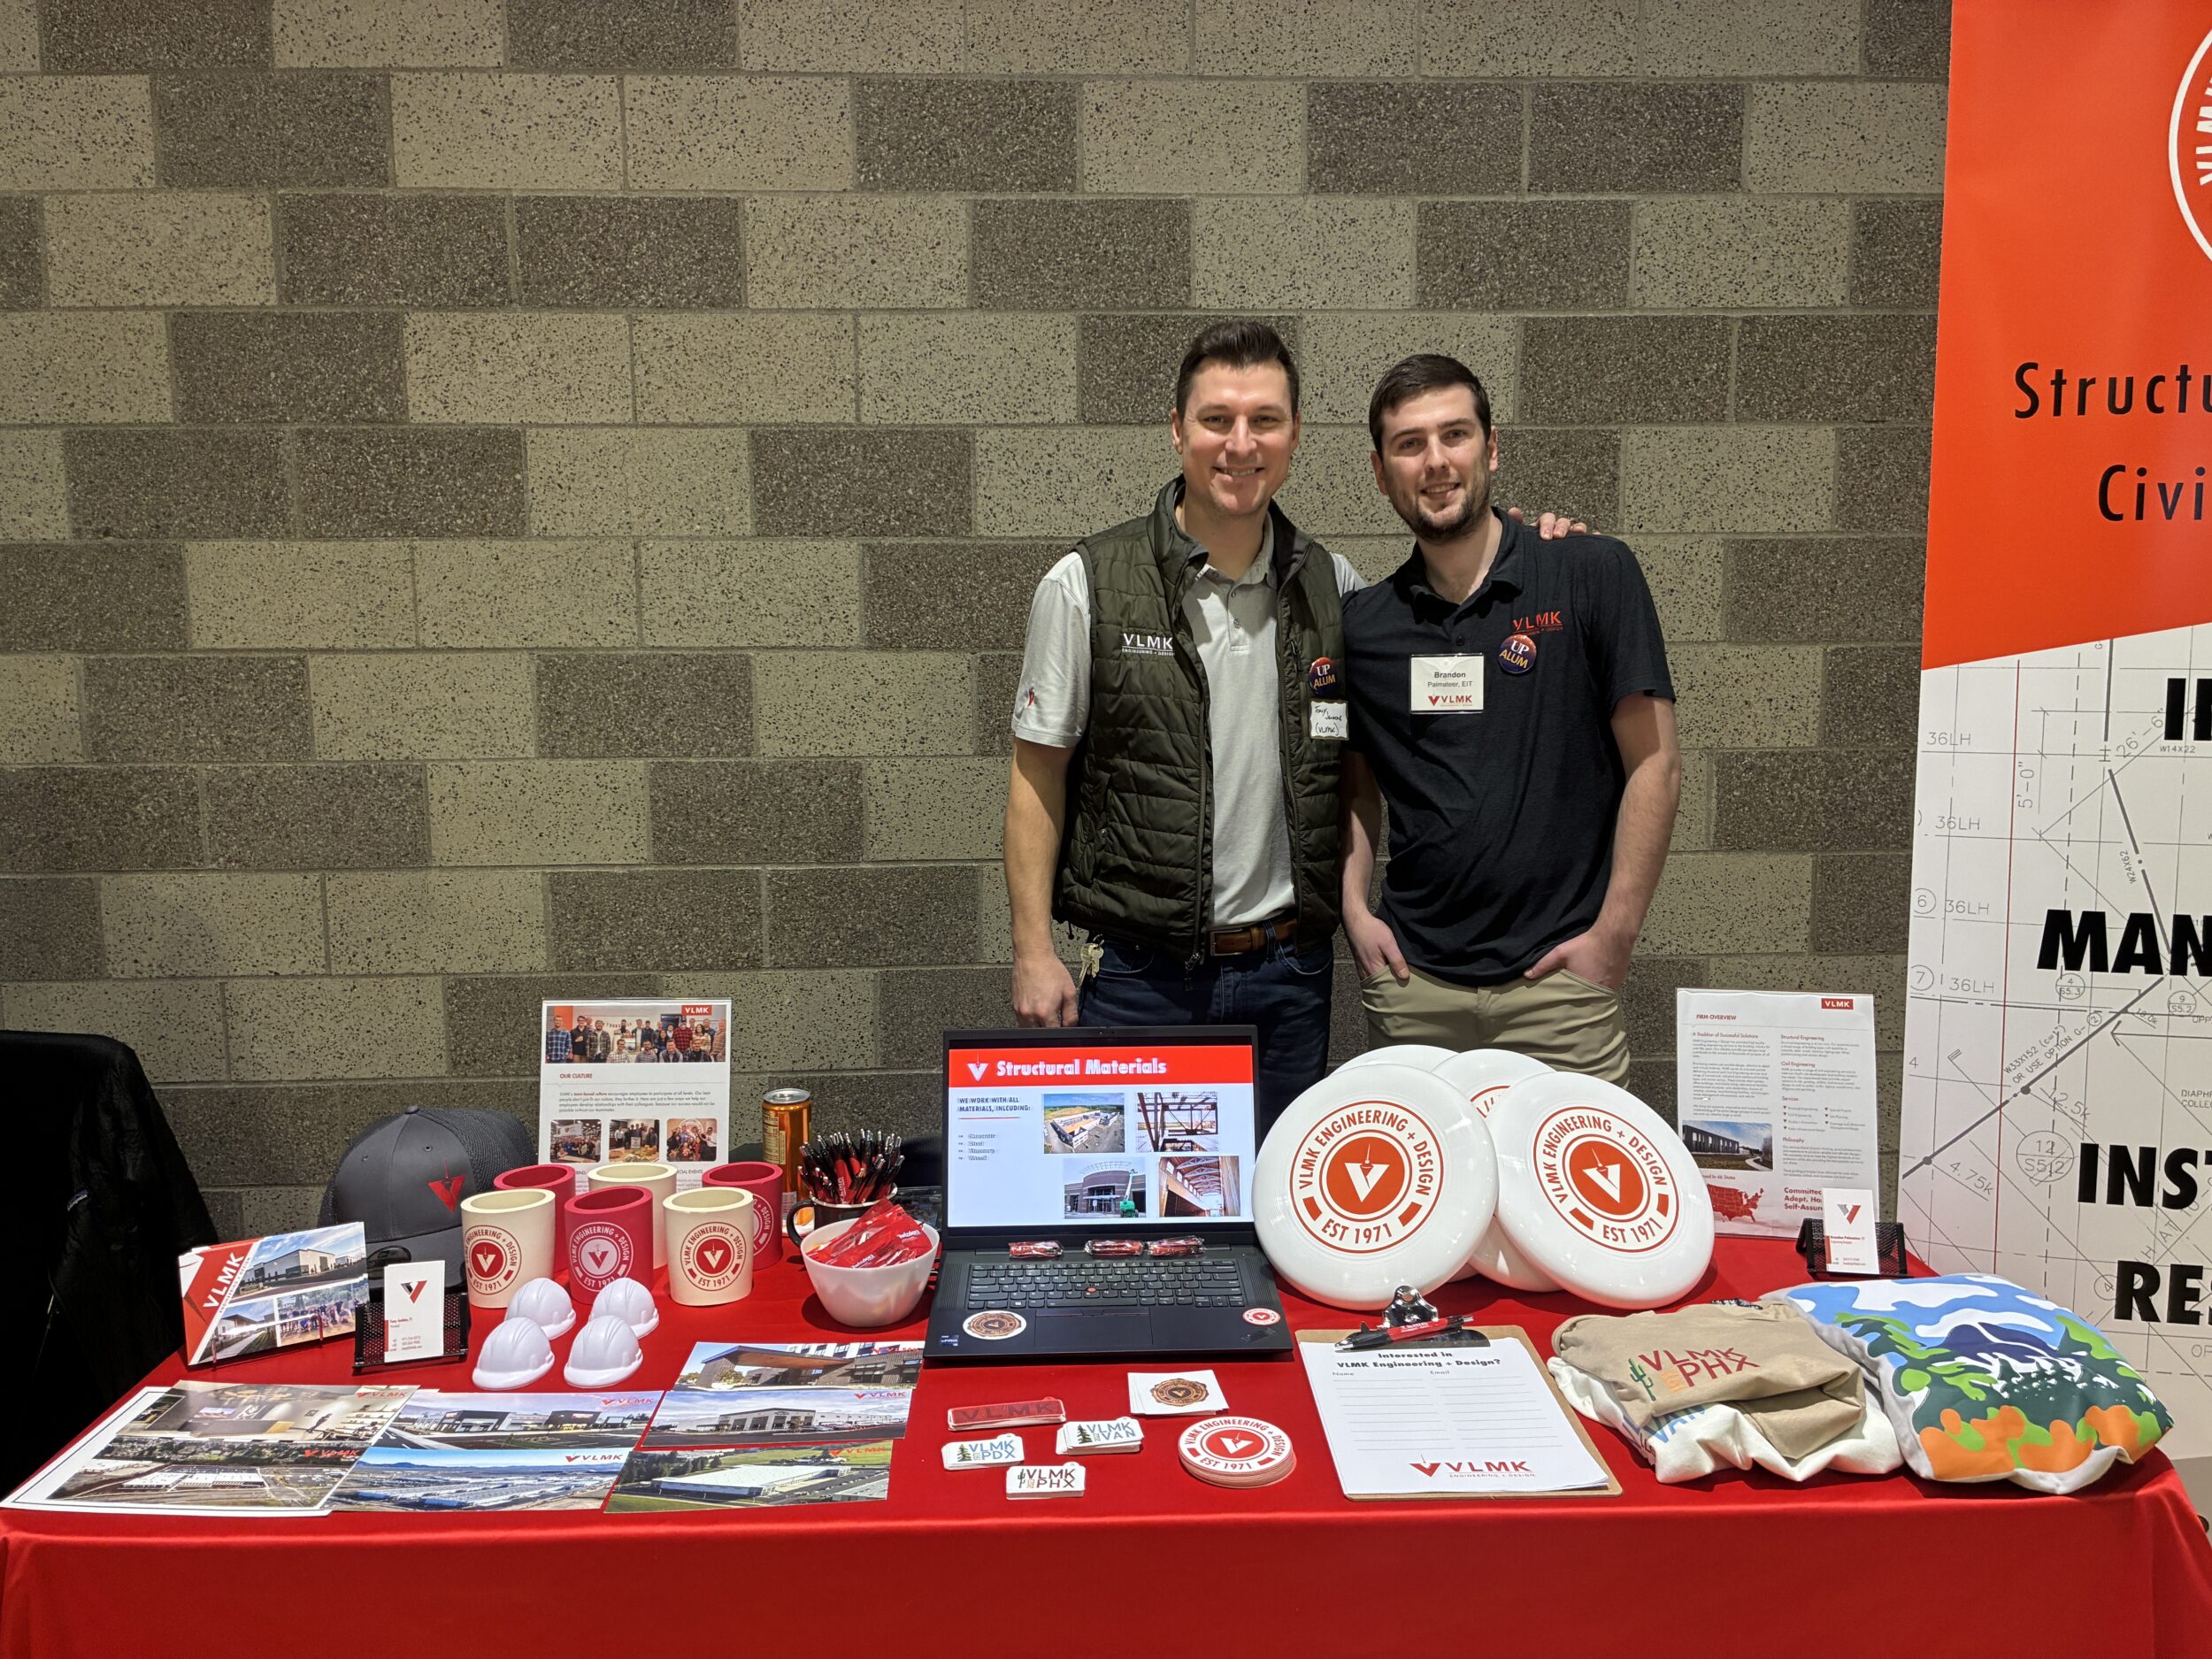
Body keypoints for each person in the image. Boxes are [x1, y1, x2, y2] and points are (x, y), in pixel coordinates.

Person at [1002, 320, 1365, 1136]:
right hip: (1139, 980)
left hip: (1289, 975)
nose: (1241, 444)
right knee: (1128, 1215)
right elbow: (1036, 778)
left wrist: (1541, 552)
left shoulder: (1334, 588)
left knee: (1281, 1218)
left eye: (1265, 419)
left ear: (1295, 435)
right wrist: (1033, 948)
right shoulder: (1085, 583)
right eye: (1217, 419)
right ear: (1177, 429)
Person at [1340, 354, 1680, 1082]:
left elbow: (1655, 763)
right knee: (1424, 1196)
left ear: (1490, 448)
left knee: (1568, 1198)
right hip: (1414, 993)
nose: (1436, 461)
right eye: (1409, 443)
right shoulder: (1365, 626)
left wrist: (1613, 937)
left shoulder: (1591, 573)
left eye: (1454, 435)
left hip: (1559, 992)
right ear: (1380, 471)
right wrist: (1354, 912)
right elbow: (1353, 787)